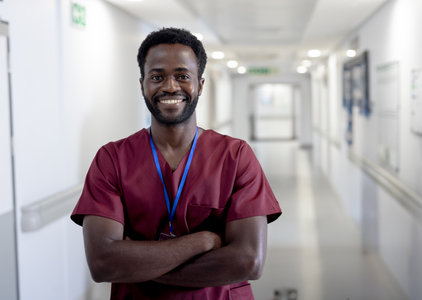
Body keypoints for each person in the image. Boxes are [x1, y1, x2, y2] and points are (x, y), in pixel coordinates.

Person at [71, 27, 282, 300]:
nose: (170, 86)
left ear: (201, 85)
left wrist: (137, 263)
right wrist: (203, 241)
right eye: (157, 76)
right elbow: (103, 264)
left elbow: (248, 262)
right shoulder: (111, 159)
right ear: (142, 84)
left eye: (182, 76)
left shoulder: (236, 156)